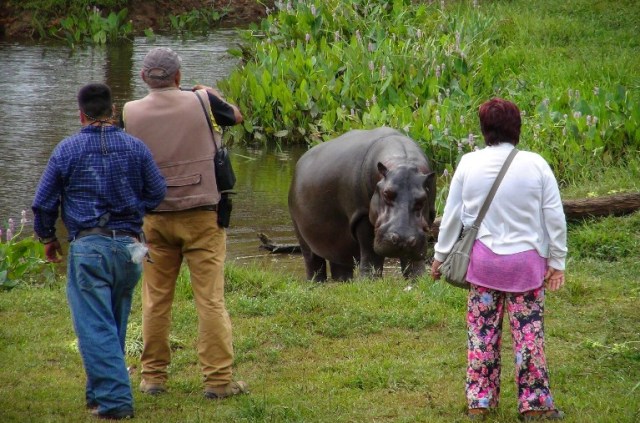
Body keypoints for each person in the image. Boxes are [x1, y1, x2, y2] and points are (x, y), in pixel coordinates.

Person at [32, 83, 167, 420]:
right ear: (114, 109)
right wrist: (138, 210)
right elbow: (158, 190)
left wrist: (48, 238)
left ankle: (116, 402)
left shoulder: (67, 150)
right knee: (112, 323)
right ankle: (97, 394)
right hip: (129, 248)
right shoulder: (136, 147)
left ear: (81, 114)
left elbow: (43, 203)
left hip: (89, 247)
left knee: (94, 327)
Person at [122, 47, 248, 400]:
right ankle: (218, 381)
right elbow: (236, 117)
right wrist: (212, 94)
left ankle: (152, 378)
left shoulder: (129, 112)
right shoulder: (202, 100)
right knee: (210, 300)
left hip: (154, 217)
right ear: (178, 77)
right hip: (203, 215)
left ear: (145, 78)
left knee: (155, 301)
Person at [430, 98, 567, 421]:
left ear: (484, 130)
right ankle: (535, 405)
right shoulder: (536, 164)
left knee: (482, 335)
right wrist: (557, 261)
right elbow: (554, 218)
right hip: (526, 268)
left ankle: (479, 403)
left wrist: (439, 256)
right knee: (529, 336)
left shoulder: (468, 164)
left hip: (484, 267)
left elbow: (452, 218)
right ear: (517, 128)